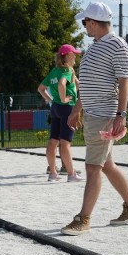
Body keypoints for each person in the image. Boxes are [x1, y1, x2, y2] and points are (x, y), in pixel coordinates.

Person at [61, 2, 128, 235]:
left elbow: (124, 81)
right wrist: (77, 109)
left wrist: (121, 115)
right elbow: (87, 85)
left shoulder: (117, 45)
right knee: (106, 164)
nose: (84, 26)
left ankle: (83, 218)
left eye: (85, 22)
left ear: (94, 22)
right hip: (93, 113)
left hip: (105, 115)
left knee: (92, 167)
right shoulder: (95, 46)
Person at [37, 44, 84, 182]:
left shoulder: (55, 70)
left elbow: (40, 88)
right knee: (65, 142)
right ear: (67, 56)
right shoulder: (66, 70)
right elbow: (62, 84)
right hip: (67, 108)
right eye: (73, 54)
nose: (75, 56)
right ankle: (71, 174)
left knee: (53, 141)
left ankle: (52, 173)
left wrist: (52, 100)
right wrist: (64, 99)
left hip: (55, 108)